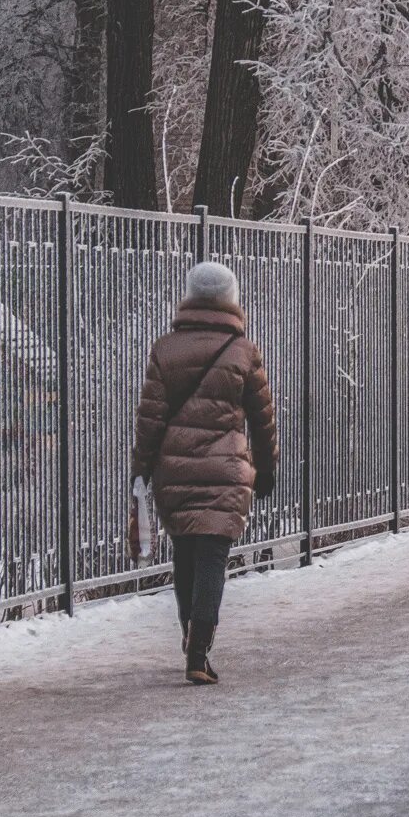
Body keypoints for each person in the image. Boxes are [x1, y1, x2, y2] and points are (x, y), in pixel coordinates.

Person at [132, 262, 278, 685]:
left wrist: (141, 469)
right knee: (213, 557)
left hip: (173, 472)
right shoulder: (243, 351)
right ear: (231, 299)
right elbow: (262, 419)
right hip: (226, 470)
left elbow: (150, 420)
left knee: (186, 557)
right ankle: (199, 650)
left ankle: (190, 637)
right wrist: (266, 468)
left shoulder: (165, 349)